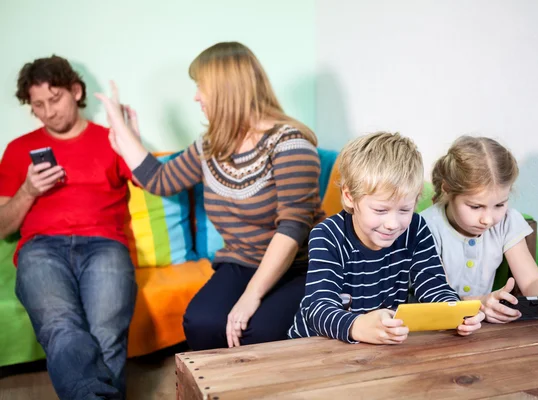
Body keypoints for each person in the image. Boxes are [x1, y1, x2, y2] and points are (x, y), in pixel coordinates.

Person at [96, 41, 325, 350]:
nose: (196, 96)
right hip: (242, 261)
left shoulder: (290, 145)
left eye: (200, 86)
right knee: (202, 321)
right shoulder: (212, 147)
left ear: (223, 89)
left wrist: (251, 296)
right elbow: (160, 180)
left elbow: (293, 228)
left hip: (299, 265)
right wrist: (122, 131)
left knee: (256, 331)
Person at [0, 56, 137, 399]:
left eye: (55, 98)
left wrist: (130, 139)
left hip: (104, 244)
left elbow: (155, 183)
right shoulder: (18, 150)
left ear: (76, 91)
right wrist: (29, 190)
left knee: (106, 333)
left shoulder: (111, 140)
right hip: (41, 249)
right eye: (38, 105)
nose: (48, 112)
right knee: (60, 326)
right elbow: (2, 228)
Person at [288, 132, 484, 344]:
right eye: (381, 210)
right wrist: (357, 326)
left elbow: (433, 285)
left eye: (404, 210)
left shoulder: (416, 229)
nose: (392, 224)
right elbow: (318, 308)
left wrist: (455, 315)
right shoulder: (327, 235)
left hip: (380, 345)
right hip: (316, 345)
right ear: (349, 196)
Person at [421, 136, 538, 323]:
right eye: (475, 207)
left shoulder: (507, 222)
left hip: (480, 331)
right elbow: (437, 296)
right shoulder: (426, 226)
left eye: (499, 205)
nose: (487, 219)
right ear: (447, 189)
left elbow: (532, 281)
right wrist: (479, 303)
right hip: (430, 328)